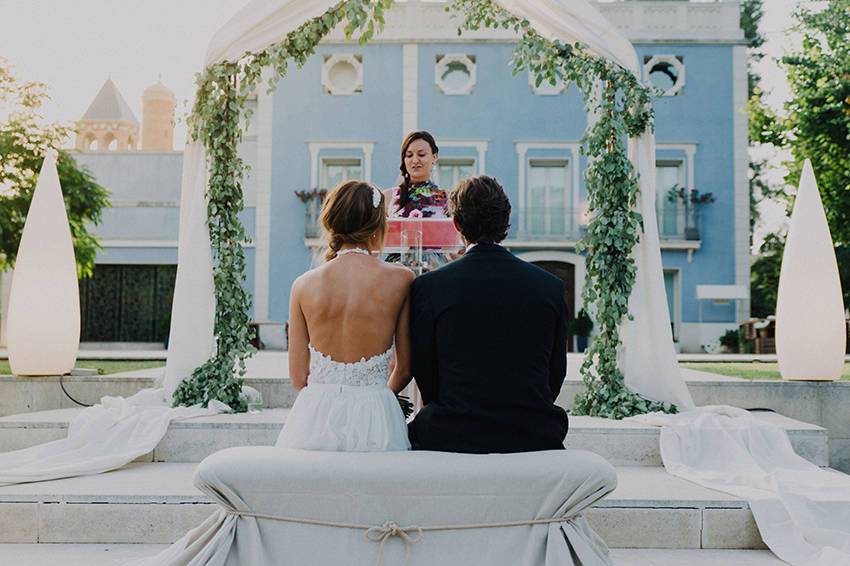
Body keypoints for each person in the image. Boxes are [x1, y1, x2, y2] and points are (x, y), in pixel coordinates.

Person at [407, 175, 570, 453]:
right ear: (506, 222)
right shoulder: (550, 287)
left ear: (456, 224)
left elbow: (426, 374)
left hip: (451, 431)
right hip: (533, 432)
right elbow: (555, 373)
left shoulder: (429, 287)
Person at [276, 180, 414, 451]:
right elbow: (406, 367)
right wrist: (381, 396)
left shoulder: (303, 285)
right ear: (377, 226)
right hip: (377, 411)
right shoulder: (401, 280)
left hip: (316, 414)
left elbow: (297, 376)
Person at [385, 130, 448, 219]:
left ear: (434, 157)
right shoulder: (388, 197)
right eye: (409, 155)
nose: (415, 160)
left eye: (421, 155)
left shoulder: (447, 198)